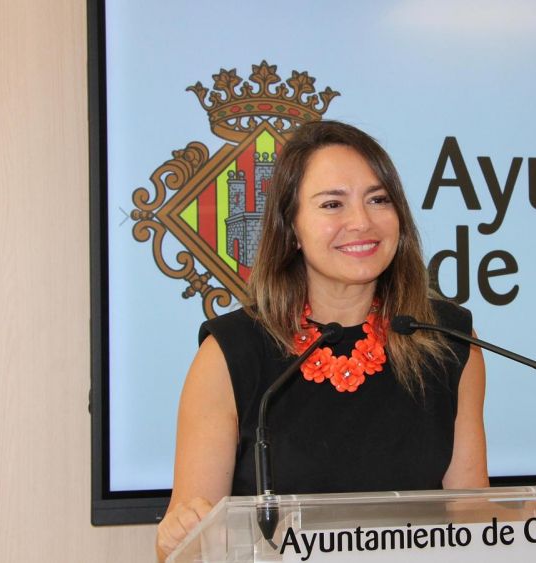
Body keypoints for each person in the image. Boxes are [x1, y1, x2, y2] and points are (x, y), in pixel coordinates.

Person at [155, 121, 489, 560]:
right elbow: (187, 539)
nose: (361, 222)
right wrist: (177, 535)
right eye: (333, 204)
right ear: (291, 228)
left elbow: (471, 517)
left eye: (378, 199)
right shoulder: (231, 353)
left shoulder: (446, 339)